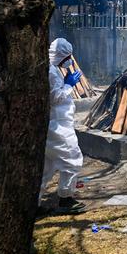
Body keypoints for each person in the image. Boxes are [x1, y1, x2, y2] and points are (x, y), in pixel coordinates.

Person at [41, 38, 85, 214]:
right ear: (60, 55)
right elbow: (55, 98)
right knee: (73, 160)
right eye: (67, 56)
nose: (70, 60)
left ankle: (33, 203)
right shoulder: (51, 72)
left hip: (56, 125)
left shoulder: (52, 69)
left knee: (47, 167)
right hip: (58, 126)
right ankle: (66, 199)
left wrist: (66, 83)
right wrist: (68, 85)